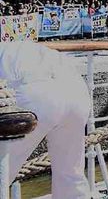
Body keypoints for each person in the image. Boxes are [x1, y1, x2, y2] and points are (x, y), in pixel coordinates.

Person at [1, 42, 91, 198]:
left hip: (31, 89)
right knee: (71, 178)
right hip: (74, 85)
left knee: (3, 174)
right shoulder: (14, 49)